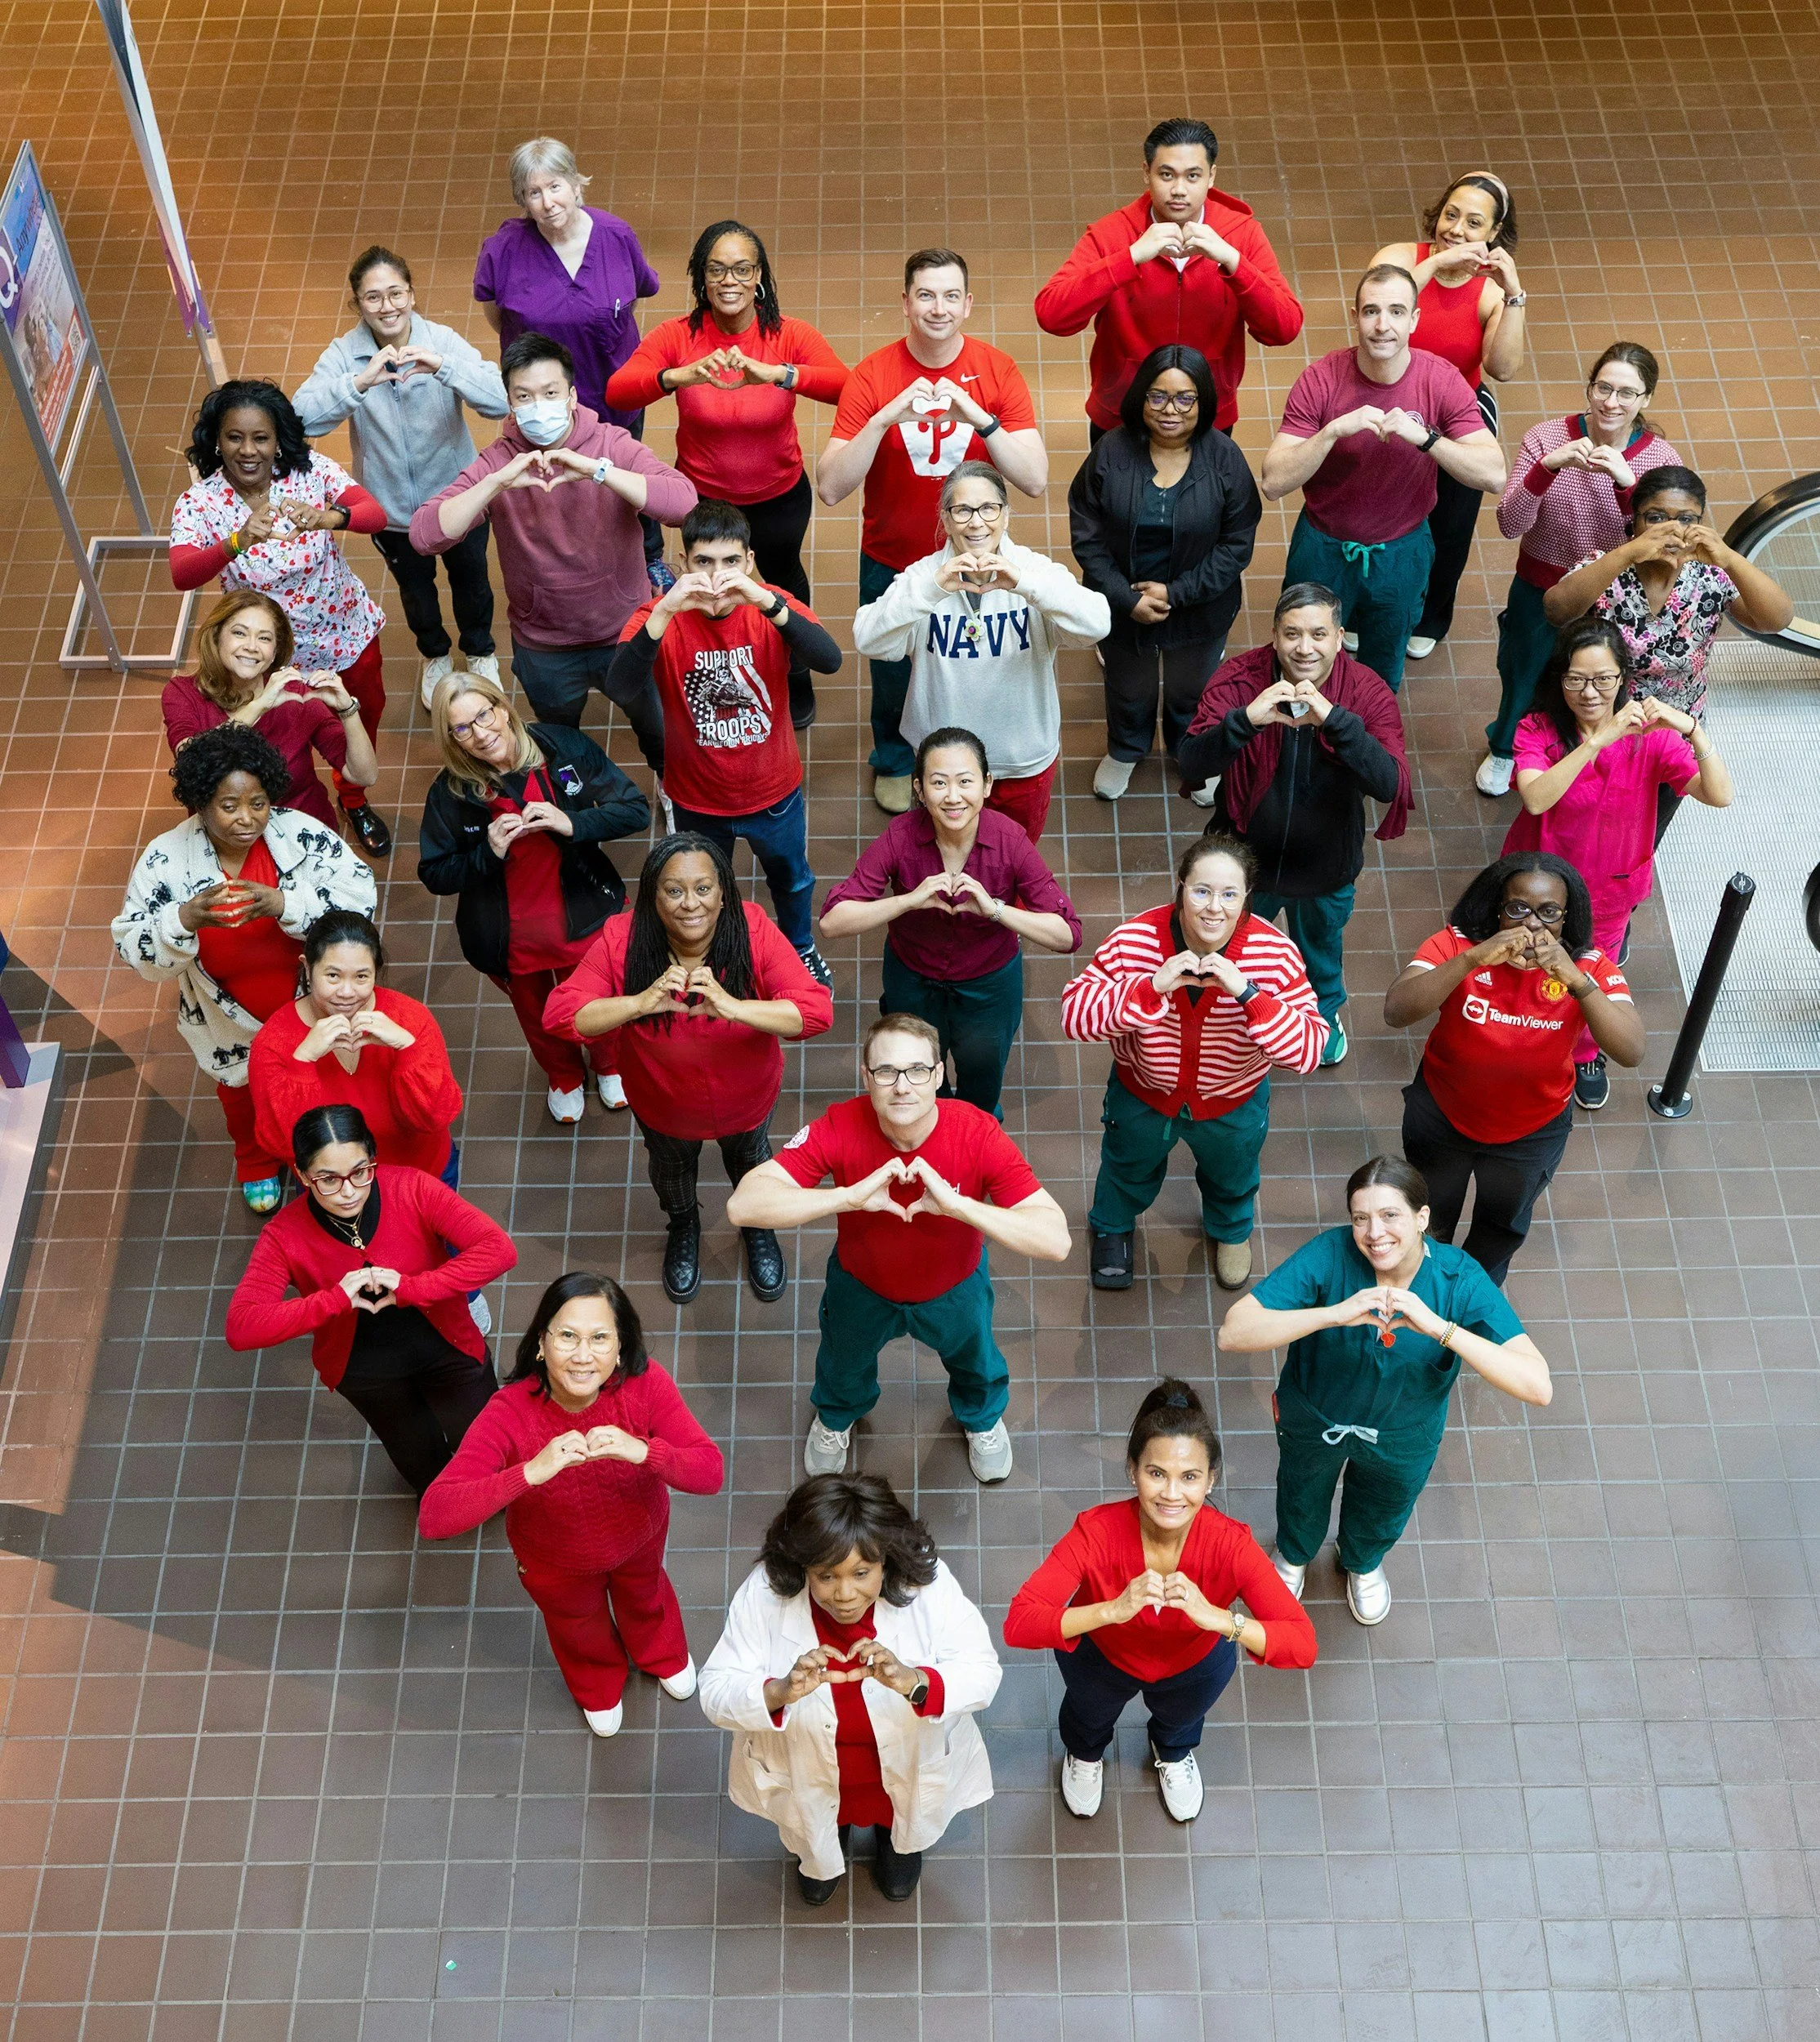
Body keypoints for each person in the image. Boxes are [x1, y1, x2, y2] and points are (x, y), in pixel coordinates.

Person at [726, 1014, 1071, 1483]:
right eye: (886, 1072)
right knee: (841, 1364)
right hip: (862, 1285)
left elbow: (1055, 1239)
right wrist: (847, 1198)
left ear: (940, 1075)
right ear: (867, 1077)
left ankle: (981, 1419)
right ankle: (835, 1417)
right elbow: (744, 1205)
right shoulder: (839, 1125)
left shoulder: (979, 1132)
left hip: (956, 1288)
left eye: (917, 1071)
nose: (902, 1086)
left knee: (977, 1363)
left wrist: (958, 1207)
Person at [1218, 1156, 1551, 1625]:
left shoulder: (1459, 1279)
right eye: (1361, 1218)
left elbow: (1538, 1386)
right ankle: (1294, 1557)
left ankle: (1362, 1563)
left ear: (1422, 1218)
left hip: (1403, 1433)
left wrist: (1441, 1329)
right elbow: (1233, 1333)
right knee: (1301, 1487)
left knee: (1387, 1501)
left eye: (1390, 1215)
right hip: (1315, 1417)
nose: (1374, 1233)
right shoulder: (1330, 1255)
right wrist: (1335, 1313)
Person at [419, 1273, 724, 1736]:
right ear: (541, 1343)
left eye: (600, 1338)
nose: (583, 1356)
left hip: (641, 1538)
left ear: (621, 1347)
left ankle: (660, 1652)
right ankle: (597, 1684)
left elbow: (710, 1472)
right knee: (576, 1625)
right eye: (567, 1336)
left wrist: (642, 1450)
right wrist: (528, 1473)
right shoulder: (508, 1411)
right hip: (553, 1562)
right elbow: (436, 1516)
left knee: (647, 1597)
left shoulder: (646, 1384)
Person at [1003, 1379, 1315, 1823]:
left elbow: (1303, 1644)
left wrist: (1222, 1620)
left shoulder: (1232, 1546)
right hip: (1101, 1656)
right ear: (1132, 1470)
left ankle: (1172, 1752)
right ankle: (1086, 1754)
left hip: (1195, 1663)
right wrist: (1111, 1610)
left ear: (1211, 1480)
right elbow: (1019, 1623)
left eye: (1189, 1477)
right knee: (1087, 1715)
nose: (1172, 1494)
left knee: (1181, 1721)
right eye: (1156, 1473)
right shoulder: (1095, 1532)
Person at [543, 835, 834, 1305]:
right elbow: (560, 1015)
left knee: (752, 1163)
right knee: (672, 1173)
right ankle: (684, 1225)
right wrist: (638, 1003)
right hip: (664, 1106)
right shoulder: (623, 939)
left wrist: (735, 1007)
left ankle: (756, 1225)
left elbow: (816, 1012)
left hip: (748, 1099)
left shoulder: (753, 930)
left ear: (724, 893)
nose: (689, 904)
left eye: (703, 889)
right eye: (673, 891)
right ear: (652, 897)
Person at [815, 247, 1048, 812]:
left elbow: (1035, 479)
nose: (937, 308)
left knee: (972, 662)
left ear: (968, 304)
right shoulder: (872, 374)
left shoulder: (997, 370)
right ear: (905, 303)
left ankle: (970, 758)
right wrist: (882, 417)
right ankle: (895, 758)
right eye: (925, 295)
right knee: (893, 668)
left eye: (949, 296)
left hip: (977, 559)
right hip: (893, 555)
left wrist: (982, 419)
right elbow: (829, 486)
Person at [699, 1474, 1001, 1906]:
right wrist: (777, 1692)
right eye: (826, 1576)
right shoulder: (765, 1594)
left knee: (901, 1818)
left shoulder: (926, 1588)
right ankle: (823, 1852)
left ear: (887, 1561)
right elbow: (714, 1690)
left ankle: (896, 1846)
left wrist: (915, 1682)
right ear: (803, 1565)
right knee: (817, 1830)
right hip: (809, 1769)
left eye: (861, 1573)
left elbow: (983, 1672)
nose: (845, 1594)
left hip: (899, 1766)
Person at [110, 726, 377, 1212]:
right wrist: (183, 919)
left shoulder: (300, 834)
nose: (246, 819)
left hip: (314, 1008)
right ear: (199, 802)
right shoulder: (165, 860)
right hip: (227, 1022)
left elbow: (361, 903)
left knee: (329, 1085)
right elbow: (135, 952)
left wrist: (285, 903)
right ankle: (254, 1158)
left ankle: (339, 1156)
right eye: (228, 806)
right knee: (242, 1095)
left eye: (257, 803)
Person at [407, 334, 698, 763]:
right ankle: (573, 802)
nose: (537, 405)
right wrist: (497, 484)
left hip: (626, 631)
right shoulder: (499, 461)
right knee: (562, 744)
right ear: (510, 402)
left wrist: (600, 472)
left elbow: (683, 503)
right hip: (544, 645)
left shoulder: (611, 444)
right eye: (524, 396)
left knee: (656, 725)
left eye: (550, 393)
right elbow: (425, 535)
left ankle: (669, 782)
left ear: (572, 396)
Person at [605, 220, 849, 729]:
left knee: (781, 579)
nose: (729, 280)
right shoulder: (679, 335)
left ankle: (795, 670)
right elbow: (619, 391)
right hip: (706, 501)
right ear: (700, 277)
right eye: (716, 269)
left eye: (742, 268)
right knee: (710, 590)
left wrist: (779, 374)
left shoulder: (787, 333)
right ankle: (715, 672)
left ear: (759, 274)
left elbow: (845, 386)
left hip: (779, 492)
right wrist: (679, 376)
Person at [1061, 833, 1325, 1295]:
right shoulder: (1134, 940)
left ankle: (1231, 1230)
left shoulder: (1276, 954)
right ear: (1180, 886)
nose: (1213, 908)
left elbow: (1308, 1050)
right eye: (1201, 890)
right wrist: (1148, 989)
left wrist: (1250, 995)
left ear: (1247, 898)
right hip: (1142, 1094)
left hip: (1233, 1103)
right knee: (1125, 1166)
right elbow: (1075, 1017)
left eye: (1229, 894)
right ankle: (1112, 1225)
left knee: (1234, 1175)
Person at [224, 1105, 515, 1497]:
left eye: (360, 1172)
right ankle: (445, 1501)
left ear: (372, 1158)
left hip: (449, 1347)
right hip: (366, 1372)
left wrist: (413, 1287)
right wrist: (335, 1299)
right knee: (417, 1455)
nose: (348, 1191)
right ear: (302, 1175)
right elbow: (242, 1327)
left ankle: (490, 1494)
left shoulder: (412, 1188)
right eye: (328, 1179)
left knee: (483, 1439)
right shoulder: (283, 1236)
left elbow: (498, 1249)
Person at [1175, 583, 1410, 1068]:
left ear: (1339, 636)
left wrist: (1337, 723)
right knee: (1227, 947)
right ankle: (1229, 1019)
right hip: (1241, 866)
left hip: (1325, 871)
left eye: (1319, 634)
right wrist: (1246, 721)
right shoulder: (1239, 681)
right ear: (1275, 637)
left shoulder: (1367, 691)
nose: (1305, 648)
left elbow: (1389, 783)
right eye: (1293, 634)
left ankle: (1323, 1016)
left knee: (1320, 954)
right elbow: (1192, 761)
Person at [607, 499, 843, 983]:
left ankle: (799, 947)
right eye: (704, 563)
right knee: (709, 886)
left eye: (731, 561)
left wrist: (766, 603)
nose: (718, 577)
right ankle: (724, 953)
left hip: (773, 793)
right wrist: (669, 608)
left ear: (750, 560)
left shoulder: (772, 603)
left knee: (792, 879)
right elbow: (620, 688)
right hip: (697, 799)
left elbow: (830, 659)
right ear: (685, 563)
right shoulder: (657, 617)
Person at [1382, 853, 1644, 1283]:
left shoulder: (1590, 965)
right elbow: (1397, 1009)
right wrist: (1472, 960)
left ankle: (1478, 1288)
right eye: (1517, 909)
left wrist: (1577, 981)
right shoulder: (1457, 944)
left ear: (1566, 918)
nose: (1533, 925)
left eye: (1549, 913)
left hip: (1530, 1133)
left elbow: (1631, 1050)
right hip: (1443, 1116)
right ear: (1496, 908)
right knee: (1429, 1214)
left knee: (1501, 1223)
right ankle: (1424, 1278)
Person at [1503, 620, 1731, 1106]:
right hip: (1539, 887)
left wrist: (1690, 728)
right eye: (1576, 680)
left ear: (1623, 678)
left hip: (1608, 891)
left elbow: (1719, 795)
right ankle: (1520, 1031)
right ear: (1559, 678)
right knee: (1522, 958)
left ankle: (1585, 1052)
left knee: (1590, 969)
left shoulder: (1650, 737)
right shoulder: (1537, 729)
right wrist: (1596, 741)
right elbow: (1537, 799)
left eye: (1603, 679)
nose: (1589, 692)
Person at [168, 379, 395, 855]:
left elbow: (373, 512)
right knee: (276, 739)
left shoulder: (309, 472)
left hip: (341, 634)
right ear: (217, 439)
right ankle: (273, 815)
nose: (248, 451)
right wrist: (237, 540)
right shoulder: (200, 503)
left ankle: (353, 798)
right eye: (235, 438)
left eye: (261, 438)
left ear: (278, 440)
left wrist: (330, 517)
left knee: (359, 719)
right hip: (262, 655)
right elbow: (182, 572)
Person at [1260, 265, 1506, 693]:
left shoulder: (1440, 380)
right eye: (1371, 311)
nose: (1382, 325)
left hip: (1402, 550)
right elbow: (1274, 480)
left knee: (1383, 664)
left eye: (1396, 312)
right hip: (1322, 544)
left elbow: (1494, 473)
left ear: (1414, 319)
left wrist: (1427, 438)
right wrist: (1333, 430)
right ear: (1354, 316)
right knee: (1300, 660)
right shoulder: (1320, 379)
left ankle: (1366, 744)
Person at [416, 675, 649, 1122]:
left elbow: (634, 809)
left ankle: (609, 1064)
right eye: (462, 728)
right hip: (512, 937)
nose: (481, 734)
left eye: (484, 715)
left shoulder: (563, 747)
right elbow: (435, 873)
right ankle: (563, 1076)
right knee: (539, 1015)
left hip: (583, 916)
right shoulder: (450, 793)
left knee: (599, 998)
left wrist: (573, 823)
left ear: (503, 708)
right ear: (452, 739)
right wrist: (488, 853)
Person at [819, 728, 1081, 1118]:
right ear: (920, 790)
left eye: (965, 782)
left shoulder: (1010, 841)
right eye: (939, 783)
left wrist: (994, 909)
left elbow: (1068, 934)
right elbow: (832, 921)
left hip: (989, 985)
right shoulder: (901, 837)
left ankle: (972, 1137)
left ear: (987, 785)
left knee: (982, 1079)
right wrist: (909, 901)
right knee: (918, 1075)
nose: (953, 796)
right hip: (911, 979)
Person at [293, 244, 511, 710]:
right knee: (415, 592)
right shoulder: (344, 355)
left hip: (459, 500)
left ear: (412, 295)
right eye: (373, 298)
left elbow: (501, 400)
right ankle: (434, 655)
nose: (387, 306)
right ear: (357, 304)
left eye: (396, 293)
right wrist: (359, 383)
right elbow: (300, 420)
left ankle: (478, 652)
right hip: (391, 513)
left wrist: (444, 367)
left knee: (472, 582)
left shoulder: (442, 340)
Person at [851, 462, 1110, 842]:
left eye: (989, 509)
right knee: (947, 860)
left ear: (1006, 516)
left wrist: (1024, 585)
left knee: (1012, 859)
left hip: (1022, 761)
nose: (977, 523)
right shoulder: (924, 577)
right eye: (963, 511)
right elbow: (868, 639)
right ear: (946, 518)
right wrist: (932, 590)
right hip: (945, 767)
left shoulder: (1034, 571)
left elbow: (1096, 623)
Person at [1477, 342, 1684, 796]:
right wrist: (1545, 469)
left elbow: (1666, 546)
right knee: (1523, 668)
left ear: (1646, 399)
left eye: (1627, 393)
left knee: (1602, 679)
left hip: (1615, 596)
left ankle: (1590, 752)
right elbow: (1510, 524)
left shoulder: (1660, 460)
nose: (1612, 402)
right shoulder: (1547, 438)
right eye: (1603, 388)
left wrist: (1629, 486)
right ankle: (1506, 745)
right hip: (1539, 584)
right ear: (1589, 387)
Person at [1067, 343, 1262, 802]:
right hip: (1123, 604)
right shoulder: (1111, 452)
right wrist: (1125, 597)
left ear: (1203, 402)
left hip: (1198, 607)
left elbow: (1237, 544)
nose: (1169, 410)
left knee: (1190, 689)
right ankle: (1126, 749)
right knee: (1127, 686)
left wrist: (1177, 592)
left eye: (1185, 398)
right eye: (1157, 397)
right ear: (1141, 398)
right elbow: (1087, 535)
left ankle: (1190, 751)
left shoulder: (1225, 458)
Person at [1034, 116, 1302, 440]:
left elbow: (1284, 328)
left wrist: (1233, 261)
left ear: (1211, 177)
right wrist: (1129, 257)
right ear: (1146, 173)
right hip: (1121, 415)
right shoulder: (1111, 234)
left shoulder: (1241, 234)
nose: (1179, 190)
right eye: (1166, 175)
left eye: (1193, 176)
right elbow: (1052, 315)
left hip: (1206, 414)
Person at [474, 137, 668, 579]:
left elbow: (634, 295)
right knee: (556, 483)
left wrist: (592, 328)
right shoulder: (502, 250)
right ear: (522, 200)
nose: (547, 202)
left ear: (577, 185)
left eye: (555, 186)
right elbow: (496, 316)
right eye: (533, 193)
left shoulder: (616, 235)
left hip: (613, 390)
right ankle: (574, 563)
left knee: (627, 472)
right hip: (545, 404)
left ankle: (648, 557)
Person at [1369, 171, 1529, 661]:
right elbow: (1381, 305)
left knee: (1450, 524)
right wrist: (1438, 263)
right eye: (1451, 215)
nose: (1457, 229)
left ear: (1494, 234)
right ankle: (1362, 607)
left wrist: (1514, 294)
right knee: (1371, 506)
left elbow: (1502, 368)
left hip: (1456, 406)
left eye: (1473, 222)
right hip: (1387, 391)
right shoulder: (1398, 259)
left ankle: (1431, 614)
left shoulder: (1489, 293)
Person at [1542, 464, 1793, 764]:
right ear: (1634, 521)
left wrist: (1729, 559)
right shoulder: (1607, 566)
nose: (1670, 530)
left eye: (1686, 519)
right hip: (1600, 724)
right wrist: (1628, 553)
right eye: (1655, 518)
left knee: (1659, 807)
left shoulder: (1710, 577)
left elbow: (1777, 620)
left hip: (1676, 732)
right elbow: (1556, 611)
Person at [250, 911, 465, 1188]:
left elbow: (438, 1117)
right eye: (333, 976)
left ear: (376, 971)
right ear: (307, 967)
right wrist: (302, 1061)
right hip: (340, 1194)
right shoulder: (274, 1042)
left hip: (423, 1179)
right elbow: (283, 1145)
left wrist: (409, 1050)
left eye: (362, 977)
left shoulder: (411, 1019)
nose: (347, 992)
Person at [163, 591, 377, 833]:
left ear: (275, 652)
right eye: (239, 633)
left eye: (264, 639)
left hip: (299, 830)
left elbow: (364, 775)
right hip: (225, 837)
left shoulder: (296, 695)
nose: (252, 646)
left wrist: (347, 709)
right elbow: (193, 760)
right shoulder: (183, 693)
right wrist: (260, 706)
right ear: (216, 637)